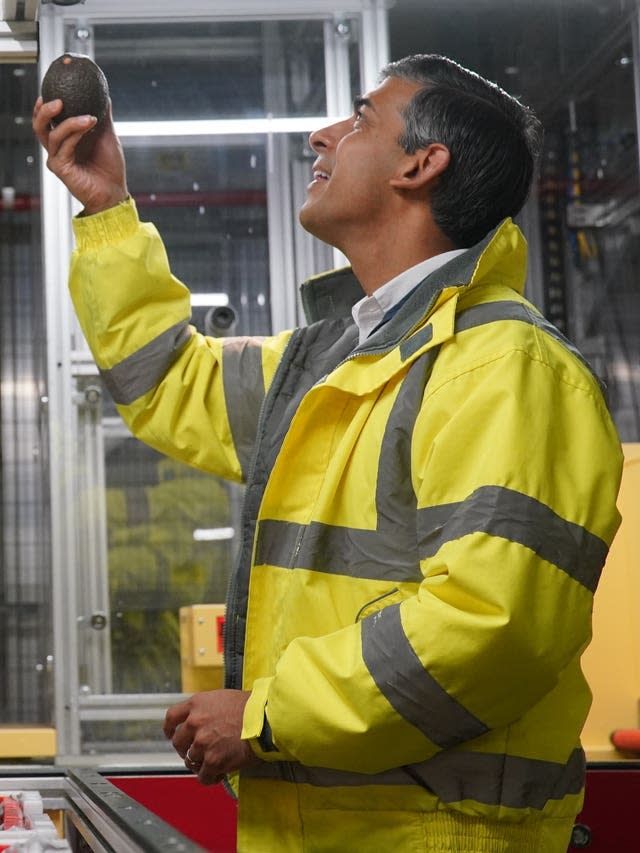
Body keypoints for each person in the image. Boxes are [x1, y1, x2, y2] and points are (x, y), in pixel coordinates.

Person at [34, 53, 623, 852]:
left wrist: (269, 710)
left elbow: (494, 627)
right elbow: (168, 379)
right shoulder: (330, 365)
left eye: (359, 118)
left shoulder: (507, 369)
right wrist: (106, 209)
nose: (322, 134)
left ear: (422, 164)